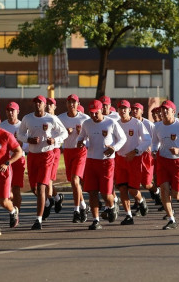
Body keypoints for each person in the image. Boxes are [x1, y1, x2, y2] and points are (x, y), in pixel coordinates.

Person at [17, 95, 68, 230]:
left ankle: (38, 219)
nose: (37, 104)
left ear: (45, 105)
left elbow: (64, 133)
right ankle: (49, 202)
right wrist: (28, 139)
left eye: (40, 102)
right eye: (35, 102)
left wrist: (55, 140)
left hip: (47, 155)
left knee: (41, 188)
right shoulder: (27, 118)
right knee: (34, 188)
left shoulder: (51, 118)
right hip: (33, 155)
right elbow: (20, 134)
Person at [77, 99, 126, 230]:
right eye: (91, 113)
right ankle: (95, 220)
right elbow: (81, 136)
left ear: (101, 111)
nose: (93, 115)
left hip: (106, 161)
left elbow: (123, 138)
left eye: (96, 113)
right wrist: (80, 141)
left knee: (105, 193)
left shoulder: (111, 123)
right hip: (91, 160)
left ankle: (112, 204)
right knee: (92, 192)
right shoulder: (86, 123)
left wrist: (114, 148)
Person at [151, 100, 179, 230]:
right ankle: (171, 219)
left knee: (176, 194)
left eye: (167, 110)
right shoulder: (157, 127)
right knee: (164, 190)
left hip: (178, 161)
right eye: (162, 110)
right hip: (163, 161)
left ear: (173, 112)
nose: (164, 112)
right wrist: (154, 150)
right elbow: (155, 143)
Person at [115, 100, 152, 225]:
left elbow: (147, 140)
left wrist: (136, 151)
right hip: (120, 159)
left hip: (134, 159)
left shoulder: (137, 123)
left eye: (125, 108)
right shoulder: (115, 124)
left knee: (132, 190)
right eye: (120, 108)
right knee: (122, 188)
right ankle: (128, 215)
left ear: (129, 110)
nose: (123, 110)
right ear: (118, 110)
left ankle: (141, 201)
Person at [57, 94, 91, 223]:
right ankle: (83, 206)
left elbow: (91, 135)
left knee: (75, 180)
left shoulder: (85, 118)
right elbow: (56, 133)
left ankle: (76, 210)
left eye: (74, 102)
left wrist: (82, 135)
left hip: (80, 151)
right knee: (73, 182)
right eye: (69, 102)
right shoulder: (60, 118)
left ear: (78, 104)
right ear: (66, 104)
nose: (71, 104)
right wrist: (65, 132)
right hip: (68, 151)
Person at [0, 102, 28, 211]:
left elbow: (28, 146)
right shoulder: (2, 126)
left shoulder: (23, 126)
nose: (10, 113)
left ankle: (17, 213)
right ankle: (12, 209)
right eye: (8, 110)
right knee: (6, 190)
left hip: (18, 160)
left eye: (13, 110)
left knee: (16, 189)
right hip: (4, 160)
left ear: (18, 112)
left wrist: (21, 144)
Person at [131, 102, 161, 206]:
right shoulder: (130, 123)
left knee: (146, 183)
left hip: (146, 156)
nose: (134, 111)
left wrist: (152, 148)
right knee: (134, 180)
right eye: (133, 109)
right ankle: (137, 202)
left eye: (137, 109)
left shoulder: (149, 124)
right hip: (134, 155)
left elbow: (156, 140)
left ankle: (156, 192)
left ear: (142, 111)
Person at [45, 97, 65, 215]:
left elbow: (64, 134)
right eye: (47, 104)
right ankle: (57, 198)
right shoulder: (41, 118)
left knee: (49, 179)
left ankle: (49, 201)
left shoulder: (57, 119)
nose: (48, 106)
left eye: (51, 104)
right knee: (45, 179)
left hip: (54, 150)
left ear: (55, 107)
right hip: (42, 151)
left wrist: (55, 140)